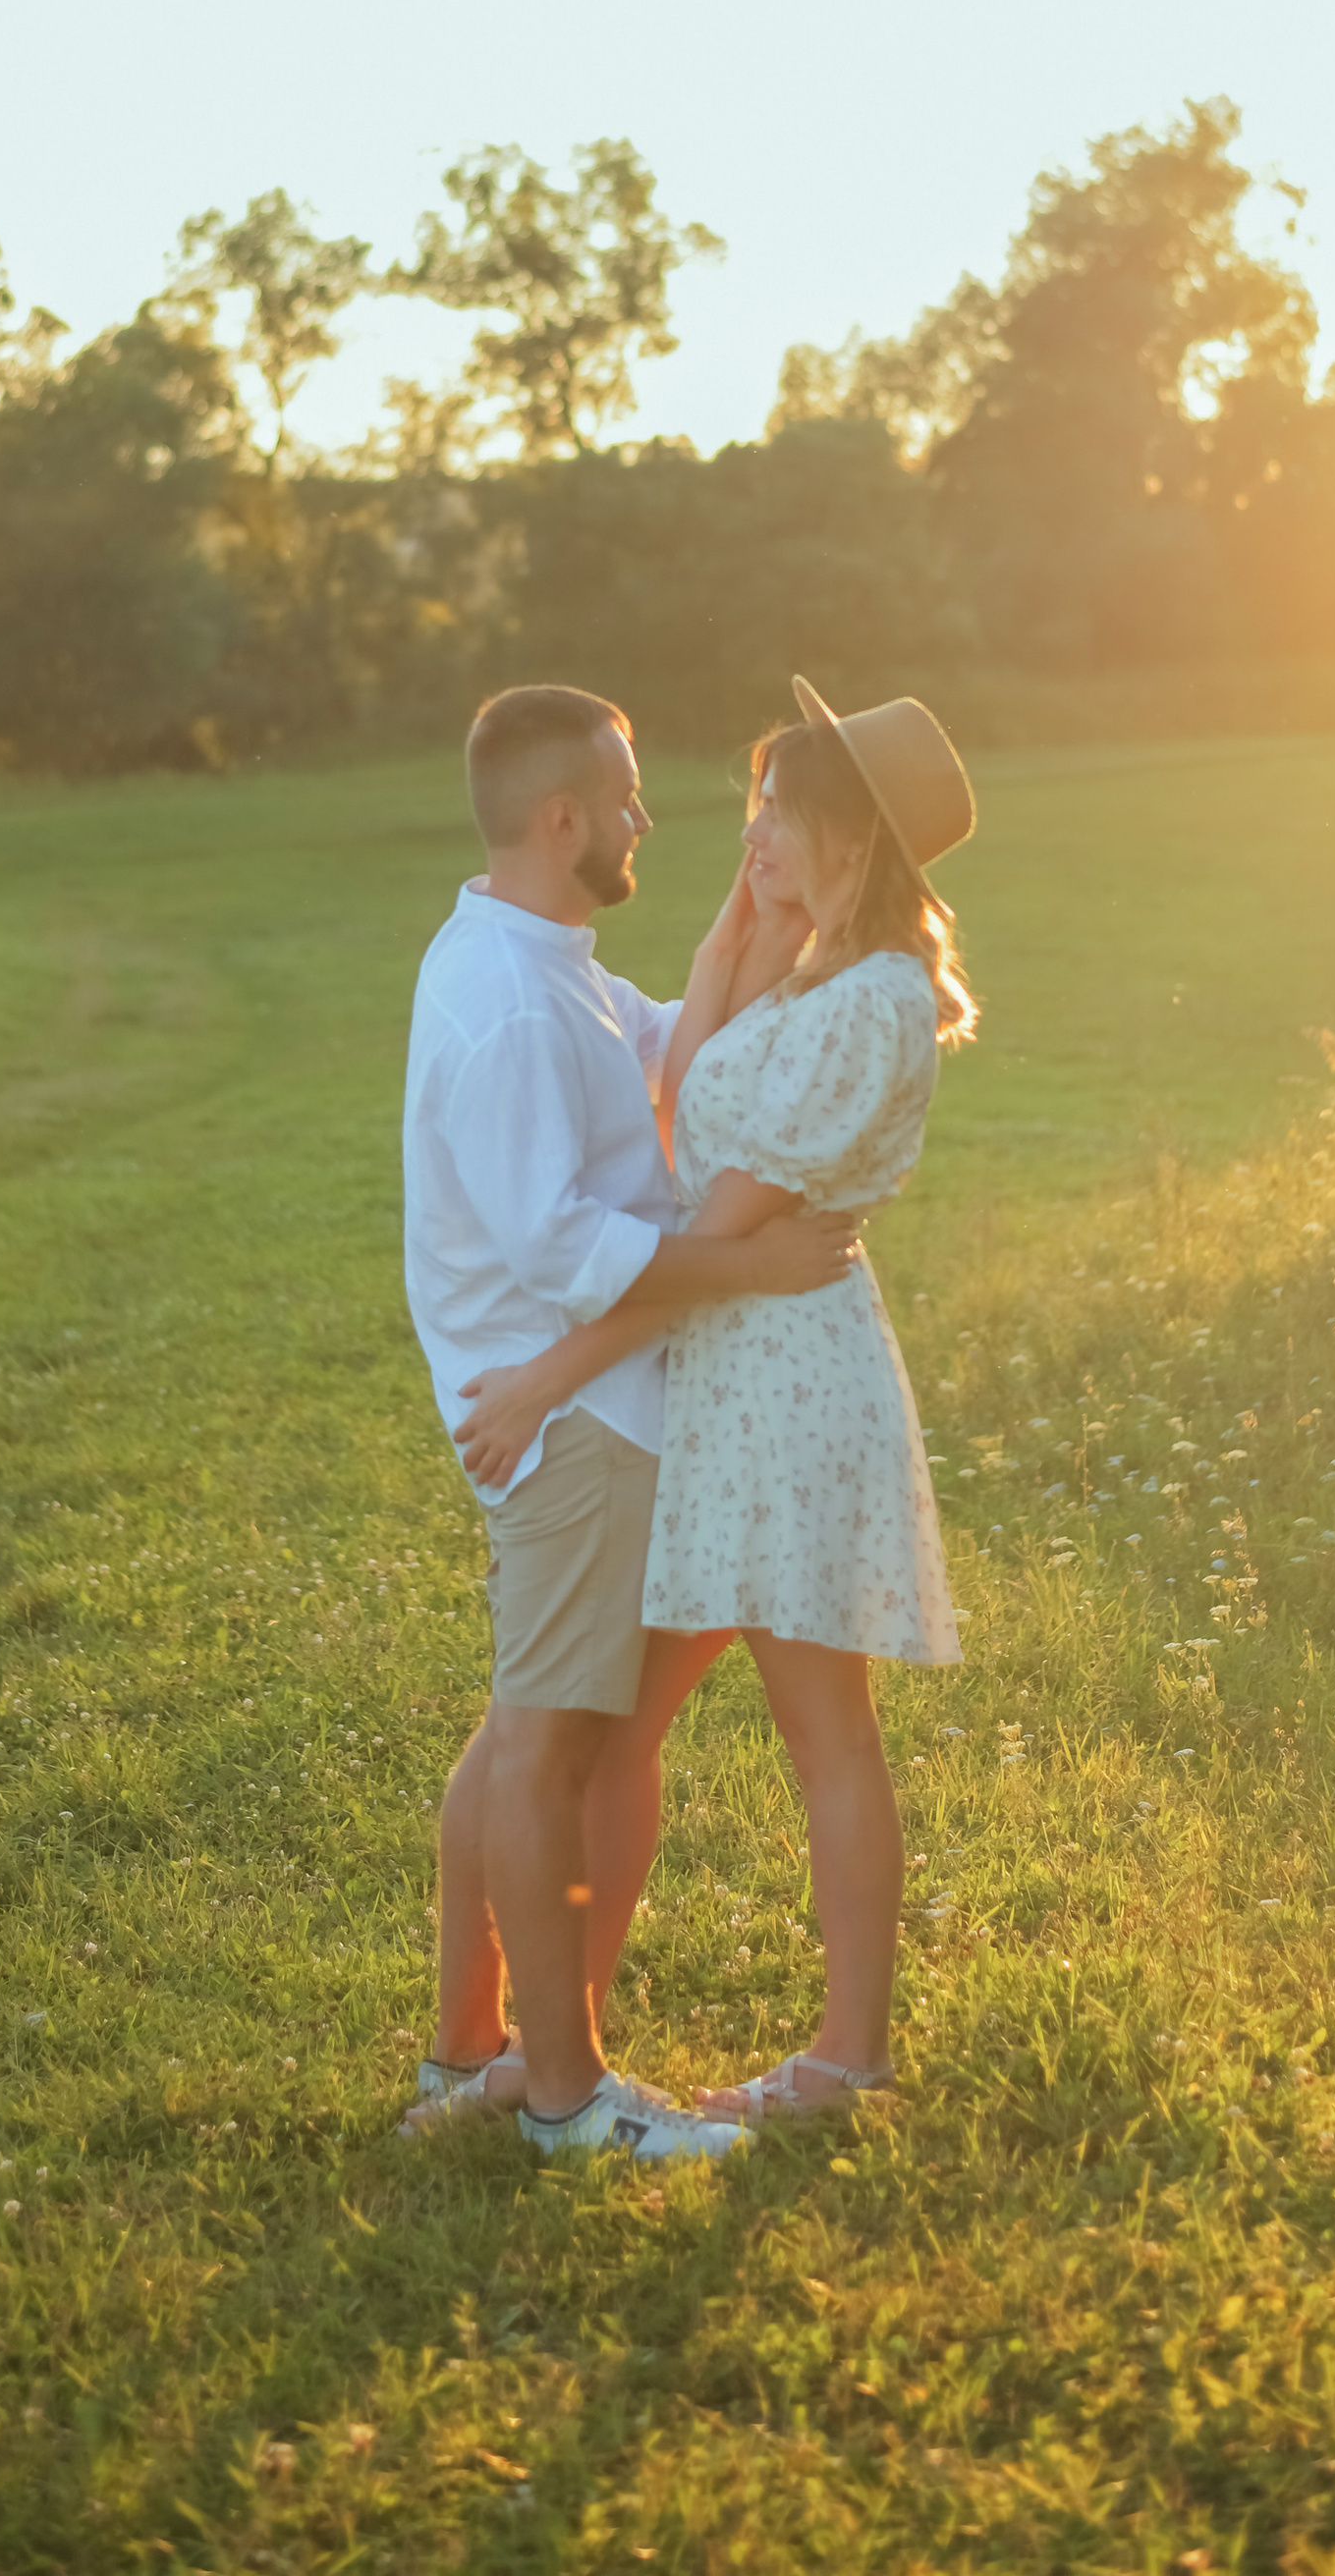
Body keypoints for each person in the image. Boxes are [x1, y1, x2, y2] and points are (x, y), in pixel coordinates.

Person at [454, 675, 973, 2129]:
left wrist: (553, 1370)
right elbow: (681, 1101)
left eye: (773, 817)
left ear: (846, 842)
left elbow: (724, 1231)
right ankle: (549, 2052)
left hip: (785, 1385)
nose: (747, 835)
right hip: (725, 1385)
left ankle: (845, 2060)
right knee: (613, 1734)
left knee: (826, 1734)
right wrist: (743, 931)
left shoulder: (867, 1006)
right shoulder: (812, 979)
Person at [399, 681, 861, 2165]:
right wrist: (755, 1265)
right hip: (579, 1417)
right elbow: (568, 1247)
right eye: (629, 796)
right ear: (562, 821)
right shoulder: (510, 1009)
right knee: (548, 1752)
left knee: (525, 1741)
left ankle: (474, 2057)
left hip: (586, 1404)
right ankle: (564, 2098)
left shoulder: (547, 965)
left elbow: (669, 1056)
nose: (649, 819)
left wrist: (746, 928)